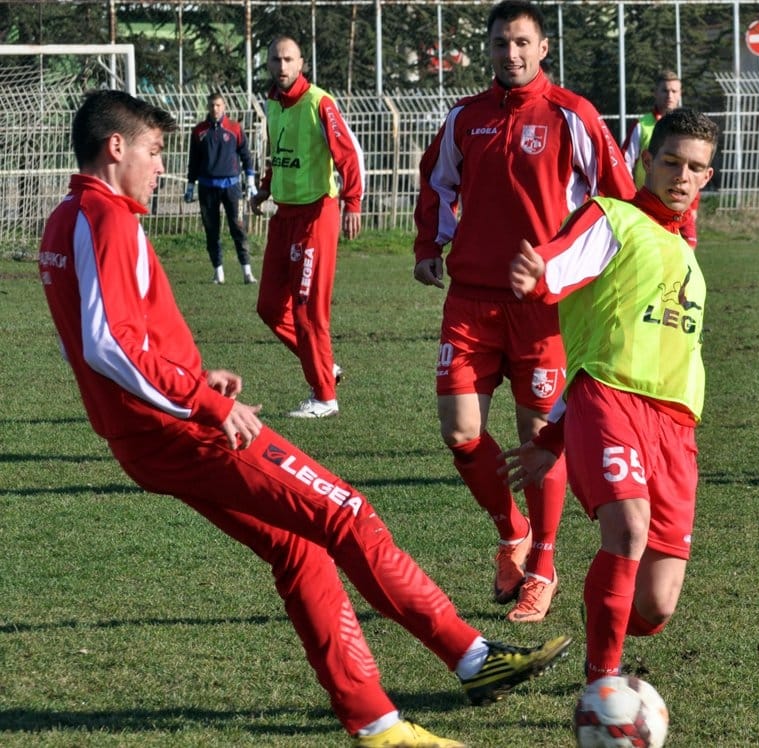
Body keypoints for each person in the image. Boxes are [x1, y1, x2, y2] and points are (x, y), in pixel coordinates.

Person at [37, 89, 571, 748]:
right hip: (181, 432)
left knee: (300, 550)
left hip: (149, 431)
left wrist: (192, 378)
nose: (160, 168)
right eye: (153, 152)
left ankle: (376, 724)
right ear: (115, 148)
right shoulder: (104, 217)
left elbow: (90, 342)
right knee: (345, 512)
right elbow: (106, 344)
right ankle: (474, 659)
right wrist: (205, 404)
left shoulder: (66, 220)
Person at [412, 0, 636, 623]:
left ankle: (542, 564)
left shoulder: (573, 115)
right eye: (499, 43)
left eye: (520, 43)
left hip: (543, 307)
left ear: (541, 50)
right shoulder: (466, 118)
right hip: (470, 301)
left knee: (538, 441)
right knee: (459, 432)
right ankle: (510, 532)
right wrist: (430, 245)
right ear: (487, 50)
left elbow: (616, 204)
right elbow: (437, 183)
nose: (508, 54)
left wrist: (580, 267)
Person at [502, 108, 716, 684]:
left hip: (677, 429)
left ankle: (606, 614)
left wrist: (552, 433)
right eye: (671, 161)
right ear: (647, 161)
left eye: (695, 168)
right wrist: (536, 274)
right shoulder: (613, 218)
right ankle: (602, 684)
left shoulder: (690, 259)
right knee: (627, 528)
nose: (681, 176)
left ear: (707, 177)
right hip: (611, 402)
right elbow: (559, 258)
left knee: (658, 603)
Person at [249, 36, 362, 418]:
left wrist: (353, 202)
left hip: (317, 215)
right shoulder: (272, 103)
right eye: (275, 59)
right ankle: (323, 366)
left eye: (288, 59)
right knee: (268, 307)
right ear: (267, 64)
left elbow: (347, 154)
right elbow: (276, 152)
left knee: (307, 310)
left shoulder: (319, 102)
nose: (282, 66)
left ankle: (324, 397)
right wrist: (265, 188)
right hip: (284, 215)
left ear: (301, 63)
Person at [621, 70, 700, 249]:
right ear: (655, 93)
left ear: (680, 94)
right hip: (648, 206)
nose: (669, 95)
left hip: (680, 205)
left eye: (674, 91)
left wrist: (693, 205)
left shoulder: (689, 129)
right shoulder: (642, 126)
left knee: (684, 253)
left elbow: (696, 168)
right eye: (665, 90)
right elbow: (623, 164)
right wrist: (630, 197)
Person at [184, 92, 258, 285]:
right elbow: (194, 161)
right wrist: (190, 185)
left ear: (224, 106)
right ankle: (218, 272)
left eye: (218, 105)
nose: (214, 109)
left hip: (232, 187)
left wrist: (250, 181)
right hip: (207, 188)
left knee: (238, 228)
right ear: (207, 108)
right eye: (211, 106)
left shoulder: (234, 128)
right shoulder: (199, 131)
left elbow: (246, 155)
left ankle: (247, 272)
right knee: (212, 231)